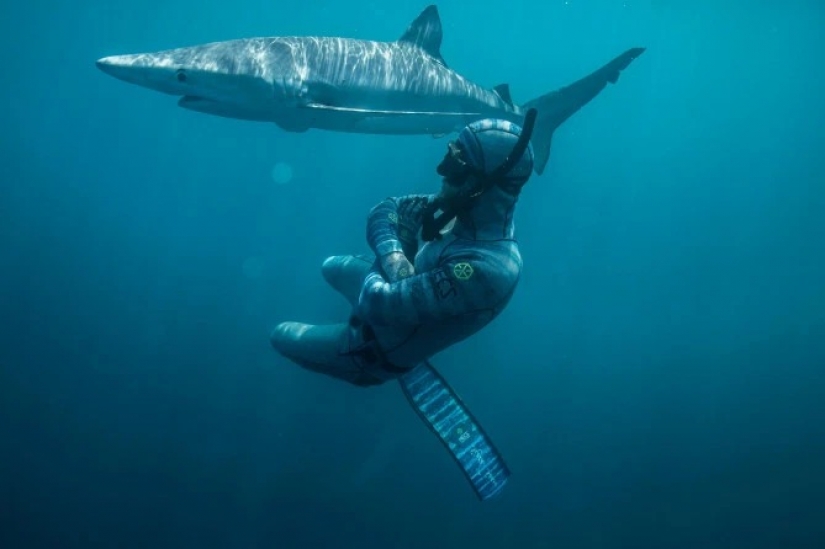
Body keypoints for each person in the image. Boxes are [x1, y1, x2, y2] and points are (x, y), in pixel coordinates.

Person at [269, 112, 537, 388]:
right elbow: (384, 209)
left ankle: (378, 364)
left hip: (371, 350)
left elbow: (376, 303)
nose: (441, 170)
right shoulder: (464, 206)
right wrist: (396, 259)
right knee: (330, 266)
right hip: (391, 297)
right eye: (450, 153)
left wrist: (403, 243)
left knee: (280, 336)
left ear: (481, 183)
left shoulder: (487, 269)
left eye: (456, 165)